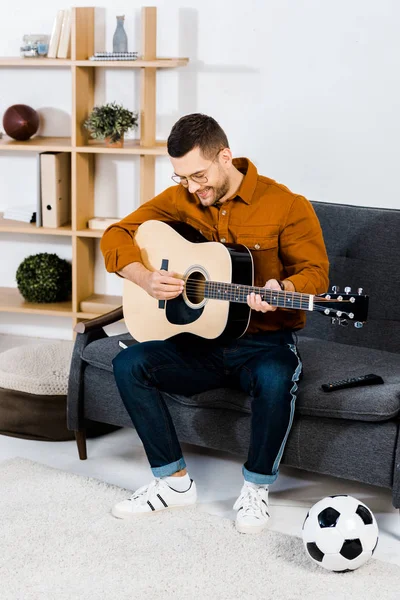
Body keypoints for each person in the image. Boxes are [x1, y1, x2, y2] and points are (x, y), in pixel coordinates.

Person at [100, 113, 329, 534]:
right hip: (198, 343)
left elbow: (316, 274)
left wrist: (283, 286)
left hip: (263, 342)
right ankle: (172, 483)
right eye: (182, 177)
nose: (192, 187)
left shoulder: (286, 205)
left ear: (225, 157)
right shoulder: (180, 198)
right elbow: (115, 236)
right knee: (129, 363)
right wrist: (144, 277)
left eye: (199, 175)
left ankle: (256, 489)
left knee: (278, 376)